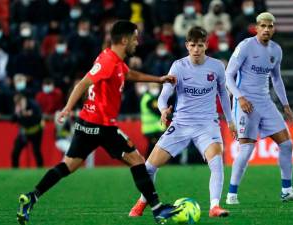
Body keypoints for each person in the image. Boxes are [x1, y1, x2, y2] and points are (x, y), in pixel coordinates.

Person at [16, 20, 180, 225]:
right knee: (137, 160)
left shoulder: (114, 61)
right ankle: (157, 209)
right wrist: (67, 108)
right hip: (102, 125)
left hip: (87, 123)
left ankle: (32, 197)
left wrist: (158, 79)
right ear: (124, 40)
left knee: (68, 165)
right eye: (134, 38)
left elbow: (129, 74)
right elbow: (82, 83)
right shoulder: (108, 62)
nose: (137, 42)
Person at [128, 26, 236, 218]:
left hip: (207, 124)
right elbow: (164, 96)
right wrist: (163, 110)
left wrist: (230, 121)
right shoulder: (178, 66)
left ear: (206, 45)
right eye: (193, 45)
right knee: (149, 167)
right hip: (181, 123)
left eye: (200, 45)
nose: (196, 49)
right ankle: (143, 201)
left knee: (217, 162)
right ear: (187, 45)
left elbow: (223, 95)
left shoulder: (217, 66)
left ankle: (214, 206)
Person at [224, 12, 293, 204]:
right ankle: (231, 195)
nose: (266, 29)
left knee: (287, 144)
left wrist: (285, 105)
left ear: (274, 28)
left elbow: (277, 79)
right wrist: (240, 98)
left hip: (265, 102)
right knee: (246, 149)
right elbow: (228, 76)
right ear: (256, 28)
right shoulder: (245, 46)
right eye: (263, 26)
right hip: (246, 104)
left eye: (270, 26)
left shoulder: (276, 50)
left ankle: (287, 191)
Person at [11, 94, 44, 168]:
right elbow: (12, 120)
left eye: (20, 103)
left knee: (36, 151)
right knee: (15, 152)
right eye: (17, 104)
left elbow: (39, 117)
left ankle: (40, 169)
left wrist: (29, 115)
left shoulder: (33, 105)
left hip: (36, 131)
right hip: (24, 132)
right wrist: (16, 113)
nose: (19, 105)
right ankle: (14, 170)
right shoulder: (18, 108)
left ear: (24, 100)